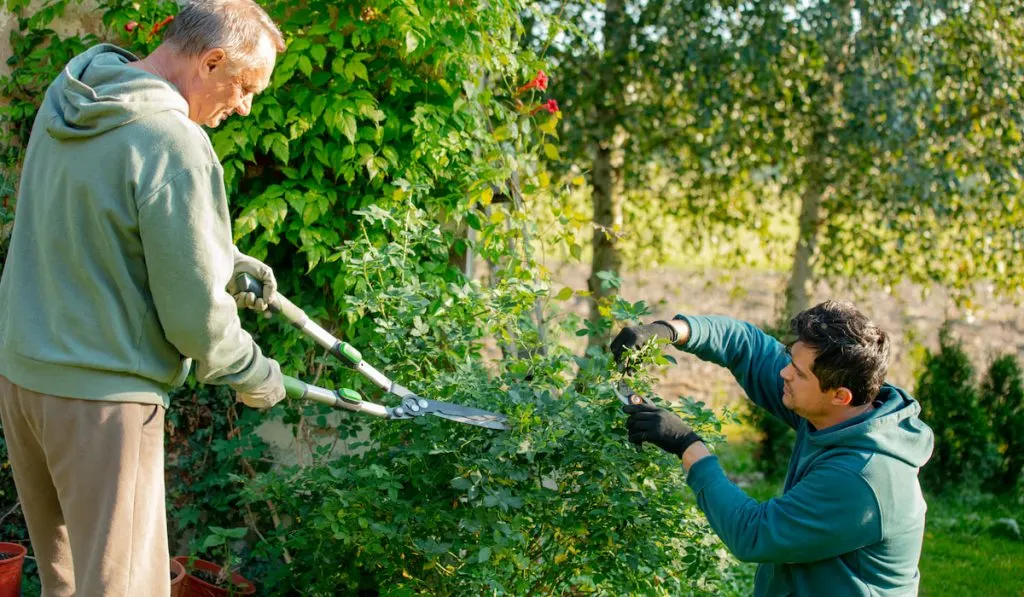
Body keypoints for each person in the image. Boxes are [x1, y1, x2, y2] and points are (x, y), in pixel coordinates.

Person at [0, 1, 288, 595]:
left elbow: (94, 215)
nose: (244, 106)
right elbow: (196, 319)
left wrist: (221, 255)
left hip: (24, 380)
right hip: (104, 403)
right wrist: (251, 371)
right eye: (244, 87)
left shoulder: (75, 91)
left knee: (69, 584)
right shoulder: (172, 140)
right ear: (211, 62)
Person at [611, 300, 934, 596]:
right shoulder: (838, 413)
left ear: (840, 395)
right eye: (790, 360)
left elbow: (753, 535)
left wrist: (687, 445)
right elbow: (745, 345)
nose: (784, 373)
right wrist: (668, 331)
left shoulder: (863, 476)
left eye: (797, 372)